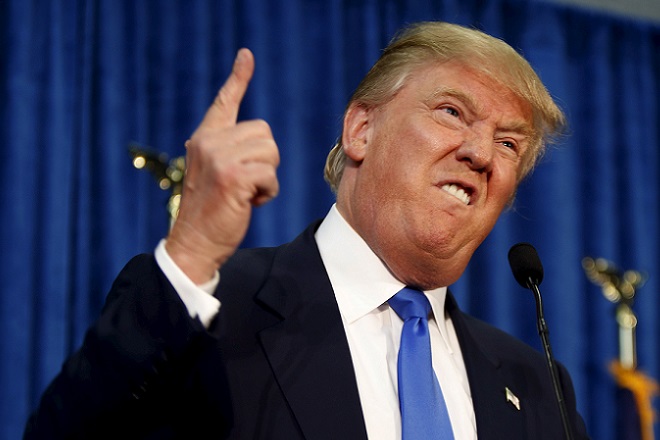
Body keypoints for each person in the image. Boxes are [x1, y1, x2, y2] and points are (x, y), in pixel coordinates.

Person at [24, 21, 590, 439]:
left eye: (510, 143)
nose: (480, 152)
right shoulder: (213, 311)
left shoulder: (539, 387)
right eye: (451, 112)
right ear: (361, 130)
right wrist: (192, 251)